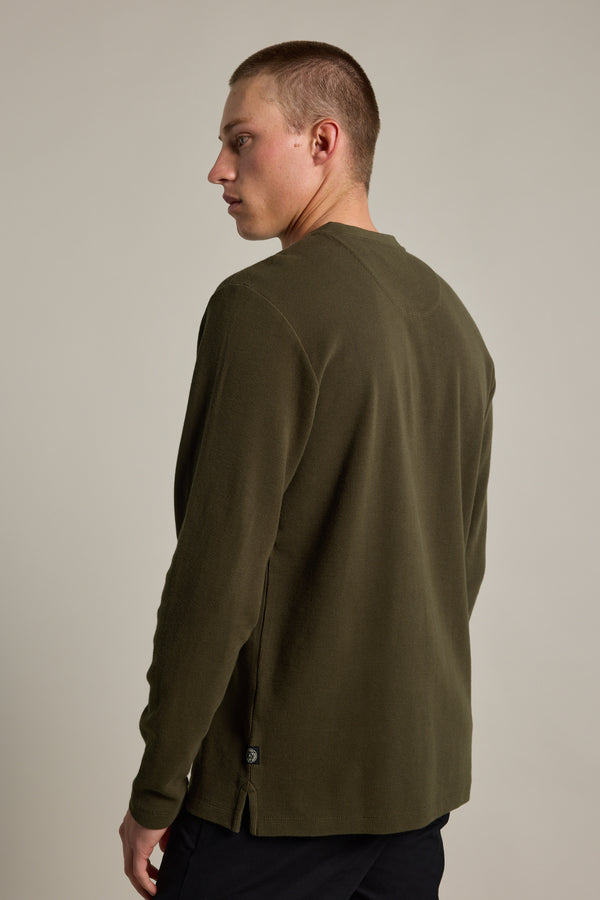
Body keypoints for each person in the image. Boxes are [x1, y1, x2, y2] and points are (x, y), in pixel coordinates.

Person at [119, 40, 495, 900]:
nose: (217, 168)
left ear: (323, 142)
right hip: (414, 795)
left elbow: (216, 578)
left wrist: (157, 788)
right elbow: (459, 569)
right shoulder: (454, 324)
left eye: (240, 139)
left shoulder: (262, 309)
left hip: (273, 805)